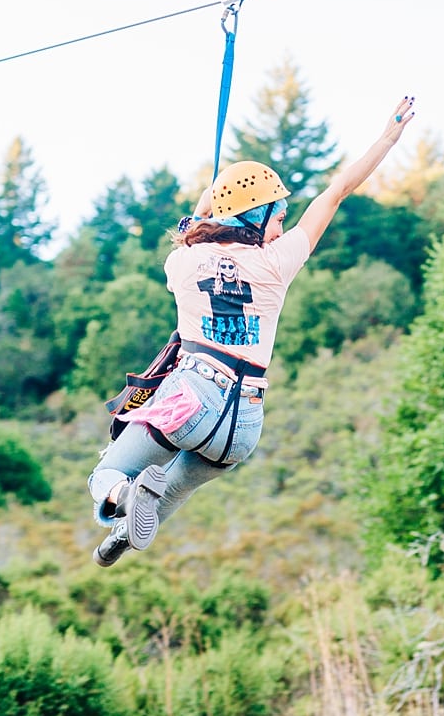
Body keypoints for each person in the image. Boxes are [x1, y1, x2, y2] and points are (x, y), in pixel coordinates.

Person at [87, 95, 416, 566]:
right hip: (243, 423)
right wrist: (388, 137)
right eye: (277, 218)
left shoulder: (182, 262)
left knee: (109, 471)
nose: (281, 229)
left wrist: (212, 201)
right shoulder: (277, 264)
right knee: (170, 491)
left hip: (192, 399)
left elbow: (195, 223)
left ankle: (121, 497)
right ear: (255, 219)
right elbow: (336, 192)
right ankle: (125, 531)